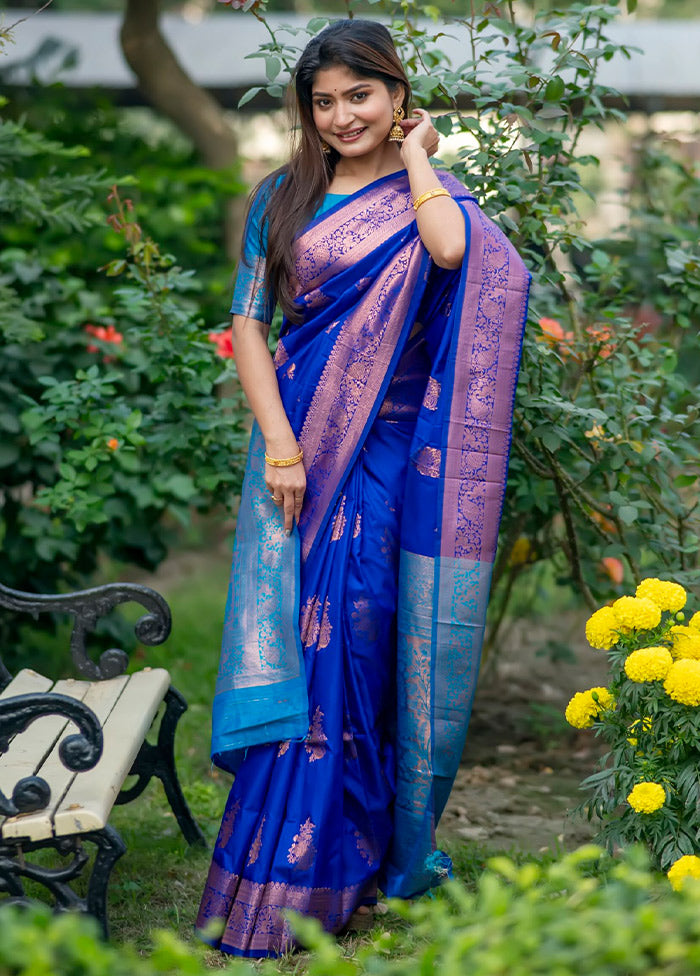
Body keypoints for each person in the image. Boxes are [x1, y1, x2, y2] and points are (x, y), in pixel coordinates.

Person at [196, 18, 530, 958]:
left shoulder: (431, 194)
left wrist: (421, 156)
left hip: (386, 466)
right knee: (298, 646)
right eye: (324, 102)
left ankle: (352, 866)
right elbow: (250, 324)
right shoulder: (282, 197)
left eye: (361, 96)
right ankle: (273, 866)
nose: (342, 116)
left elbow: (456, 254)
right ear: (307, 111)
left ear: (395, 94)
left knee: (358, 651)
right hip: (298, 456)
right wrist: (281, 445)